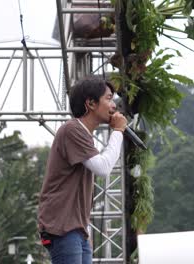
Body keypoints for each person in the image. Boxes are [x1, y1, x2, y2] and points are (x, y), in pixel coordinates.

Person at [37, 77, 127, 264]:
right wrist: (118, 131)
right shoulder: (72, 130)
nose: (113, 106)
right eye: (109, 99)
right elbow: (103, 168)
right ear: (91, 103)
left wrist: (86, 228)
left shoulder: (84, 135)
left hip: (76, 228)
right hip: (62, 226)